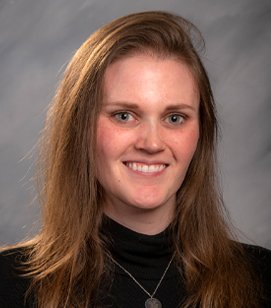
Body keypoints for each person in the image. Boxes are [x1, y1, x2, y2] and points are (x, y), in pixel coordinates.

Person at [0, 10, 270, 308]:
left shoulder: (262, 277)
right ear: (80, 128)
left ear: (201, 133)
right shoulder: (8, 285)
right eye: (124, 116)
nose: (152, 143)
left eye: (175, 117)